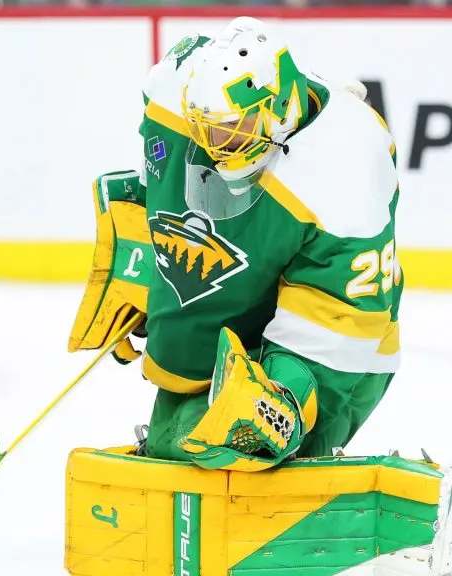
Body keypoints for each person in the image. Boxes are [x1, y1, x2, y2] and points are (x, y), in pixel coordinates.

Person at [69, 16, 404, 473]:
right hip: (250, 298)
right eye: (205, 129)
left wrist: (285, 399)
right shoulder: (174, 85)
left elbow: (342, 311)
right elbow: (161, 173)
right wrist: (147, 262)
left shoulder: (348, 171)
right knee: (176, 443)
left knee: (258, 452)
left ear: (279, 109)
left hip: (345, 349)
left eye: (231, 129)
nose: (216, 145)